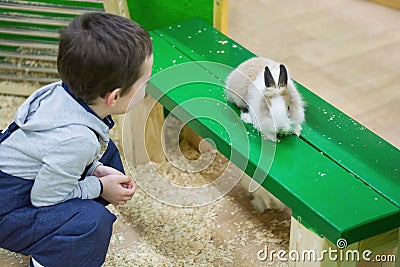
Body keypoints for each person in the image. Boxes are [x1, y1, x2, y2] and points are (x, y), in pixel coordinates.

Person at [0, 12, 153, 267]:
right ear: (114, 97)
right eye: (144, 82)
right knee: (91, 223)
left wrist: (95, 168)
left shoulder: (63, 91)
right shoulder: (78, 139)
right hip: (8, 206)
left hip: (20, 172)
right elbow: (45, 199)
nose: (147, 88)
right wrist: (100, 187)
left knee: (107, 155)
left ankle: (60, 235)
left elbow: (55, 152)